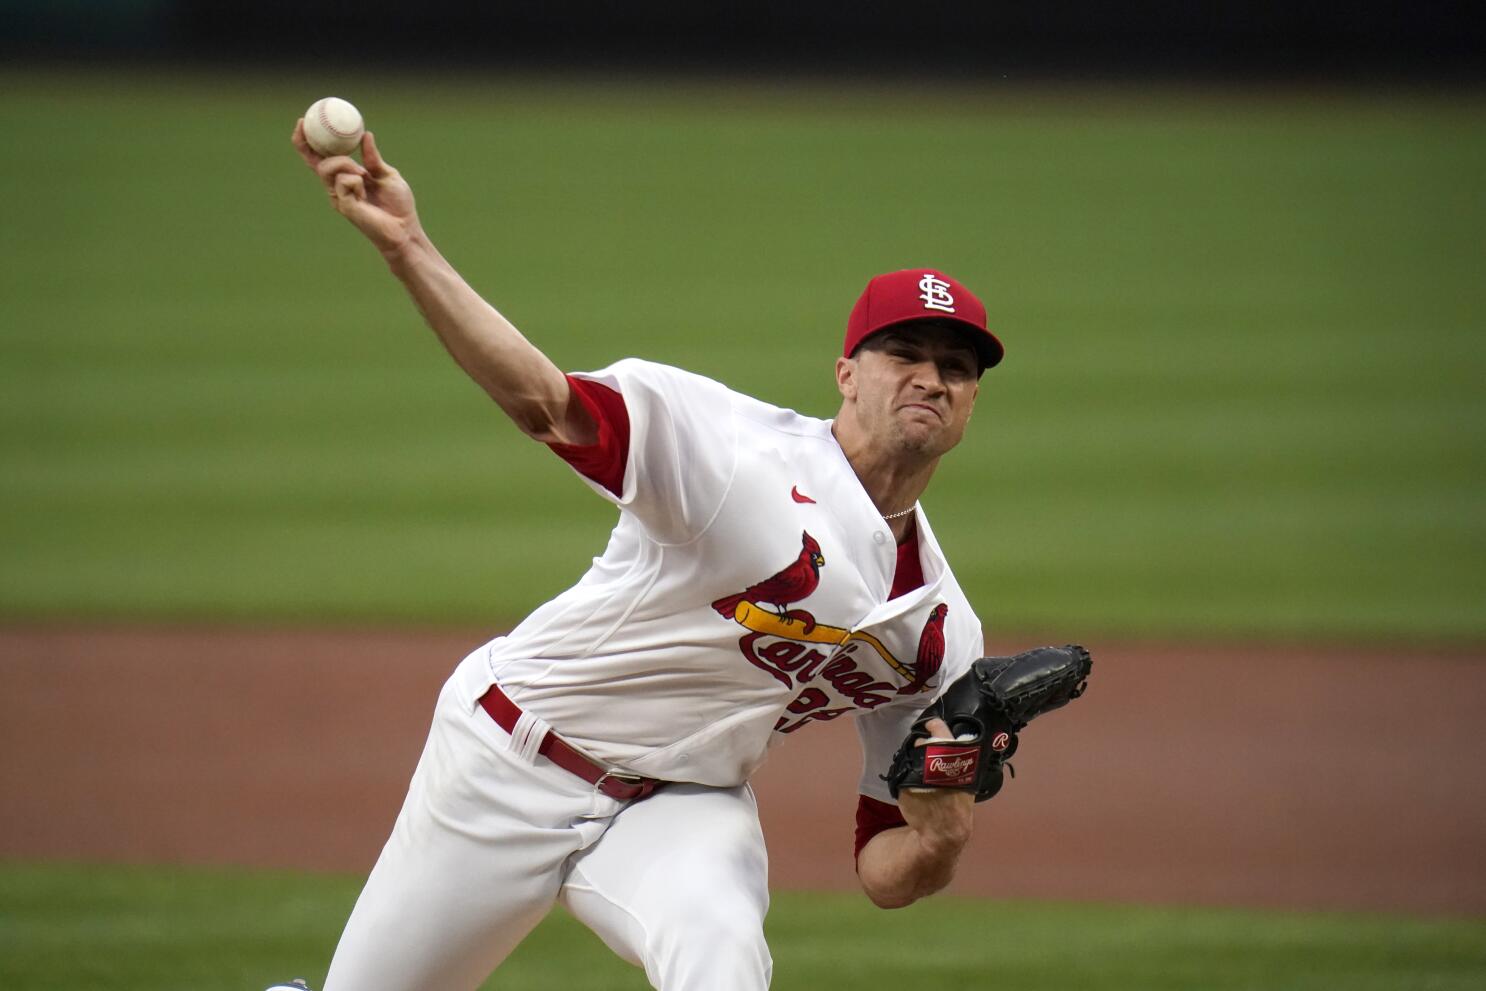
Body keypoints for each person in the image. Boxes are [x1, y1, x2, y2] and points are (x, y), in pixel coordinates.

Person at [291, 120, 1009, 991]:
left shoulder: (940, 633)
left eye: (958, 366)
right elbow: (543, 403)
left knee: (723, 957)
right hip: (508, 759)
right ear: (847, 373)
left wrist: (941, 835)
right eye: (904, 353)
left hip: (682, 805)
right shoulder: (731, 452)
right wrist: (409, 246)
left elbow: (880, 870)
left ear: (971, 401)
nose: (932, 378)